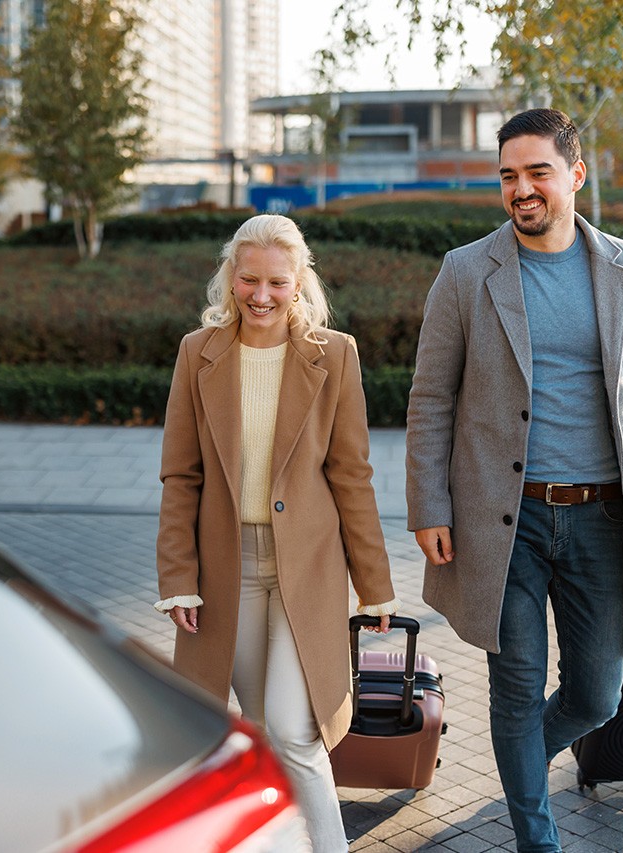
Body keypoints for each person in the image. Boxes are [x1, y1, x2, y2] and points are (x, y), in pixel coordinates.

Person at [405, 108, 623, 852]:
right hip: (499, 521)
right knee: (514, 687)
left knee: (597, 693)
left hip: (601, 521)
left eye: (537, 172)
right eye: (508, 176)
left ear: (576, 174)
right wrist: (429, 504)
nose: (522, 189)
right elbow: (430, 398)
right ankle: (535, 837)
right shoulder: (465, 271)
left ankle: (520, 765)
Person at [155, 213, 399, 852]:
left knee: (295, 730)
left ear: (300, 283)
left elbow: (352, 476)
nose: (261, 296)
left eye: (277, 283)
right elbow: (181, 477)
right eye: (249, 280)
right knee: (259, 726)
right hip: (225, 571)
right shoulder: (197, 353)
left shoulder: (334, 354)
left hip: (308, 569)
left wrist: (375, 585)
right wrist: (178, 580)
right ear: (229, 278)